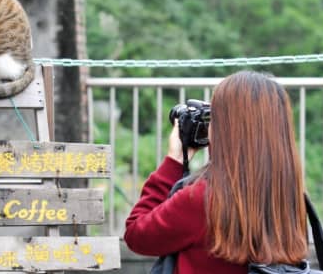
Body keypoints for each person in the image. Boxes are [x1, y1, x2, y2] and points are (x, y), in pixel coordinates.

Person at [124, 71, 308, 274]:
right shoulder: (288, 195)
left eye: (214, 118)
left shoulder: (202, 199)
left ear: (226, 128)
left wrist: (174, 161)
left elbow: (136, 235)